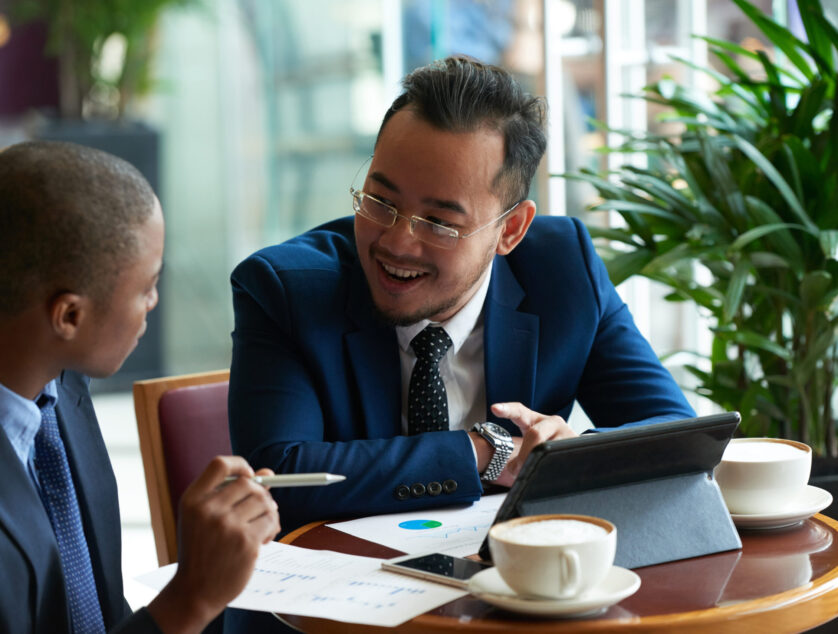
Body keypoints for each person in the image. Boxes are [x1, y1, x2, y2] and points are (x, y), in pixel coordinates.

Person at [229, 56, 695, 534]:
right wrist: (486, 452)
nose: (396, 242)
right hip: (328, 596)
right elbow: (277, 480)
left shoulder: (562, 269)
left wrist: (569, 452)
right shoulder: (285, 287)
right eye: (381, 202)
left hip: (507, 584)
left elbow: (675, 436)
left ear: (510, 229)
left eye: (438, 224)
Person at [0, 140, 281, 633]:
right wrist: (191, 595)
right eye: (146, 286)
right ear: (69, 315)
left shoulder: (62, 386)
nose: (154, 302)